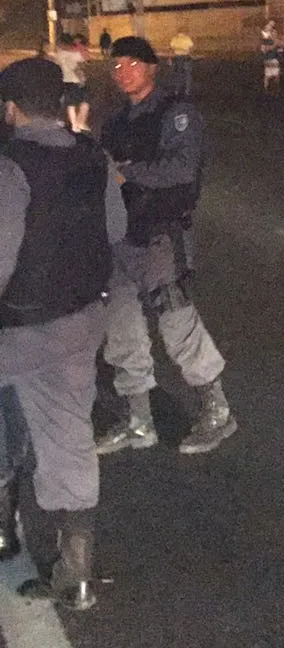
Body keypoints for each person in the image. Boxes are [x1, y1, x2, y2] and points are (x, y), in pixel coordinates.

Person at [0, 57, 121, 609]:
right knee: (68, 432)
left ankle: (4, 521)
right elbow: (115, 229)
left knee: (10, 415)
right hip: (83, 318)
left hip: (23, 327)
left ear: (12, 108)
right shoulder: (91, 157)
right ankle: (76, 574)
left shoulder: (12, 167)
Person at [95, 37, 236, 456]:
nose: (124, 72)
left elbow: (182, 168)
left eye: (133, 63)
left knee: (176, 321)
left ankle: (217, 410)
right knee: (122, 329)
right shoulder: (117, 122)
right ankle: (138, 421)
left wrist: (128, 174)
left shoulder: (176, 114)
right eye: (117, 65)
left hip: (160, 234)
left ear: (153, 67)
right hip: (120, 235)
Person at [51, 34, 90, 134]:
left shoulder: (59, 54)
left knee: (70, 104)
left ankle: (74, 124)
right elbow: (84, 64)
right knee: (85, 101)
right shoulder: (76, 54)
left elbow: (56, 66)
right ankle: (79, 122)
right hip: (77, 81)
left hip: (66, 80)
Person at [168, 28, 195, 98]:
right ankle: (187, 90)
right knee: (187, 74)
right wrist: (190, 56)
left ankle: (177, 90)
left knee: (178, 74)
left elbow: (171, 49)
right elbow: (191, 48)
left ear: (178, 32)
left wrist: (170, 58)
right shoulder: (187, 39)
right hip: (186, 57)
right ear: (184, 32)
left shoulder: (175, 39)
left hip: (177, 57)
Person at [260, 22, 281, 94]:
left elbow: (278, 45)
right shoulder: (266, 41)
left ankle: (273, 89)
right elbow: (264, 50)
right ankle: (267, 89)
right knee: (269, 75)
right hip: (269, 59)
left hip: (273, 59)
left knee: (274, 75)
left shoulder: (273, 41)